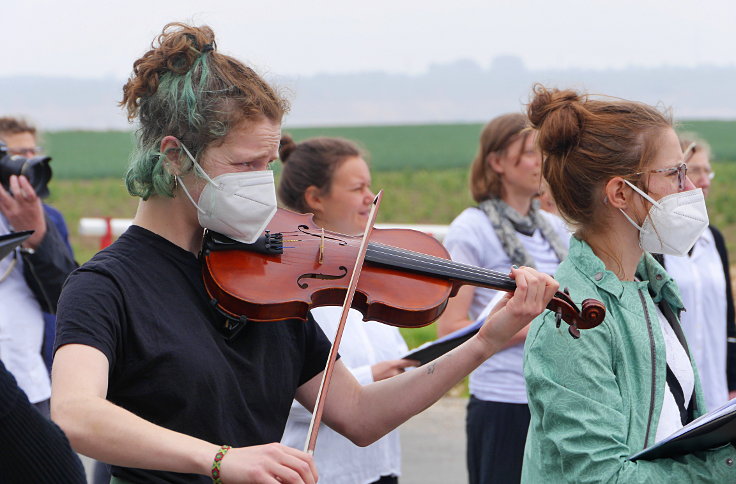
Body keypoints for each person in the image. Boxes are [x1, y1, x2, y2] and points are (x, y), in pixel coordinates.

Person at [50, 23, 559, 484]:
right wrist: (220, 458)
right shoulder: (106, 284)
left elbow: (359, 415)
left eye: (268, 164)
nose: (261, 183)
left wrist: (482, 342)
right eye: (245, 163)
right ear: (174, 155)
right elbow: (76, 413)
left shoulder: (265, 274)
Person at [522, 85, 736, 482]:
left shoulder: (648, 287)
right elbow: (601, 477)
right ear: (621, 192)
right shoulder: (571, 323)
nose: (690, 190)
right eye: (674, 173)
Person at [436, 113, 569, 484]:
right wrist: (535, 324)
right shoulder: (471, 228)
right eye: (529, 153)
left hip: (556, 398)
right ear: (496, 162)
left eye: (542, 153)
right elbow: (450, 329)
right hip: (503, 401)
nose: (540, 163)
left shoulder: (555, 228)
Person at [277, 135, 419, 484]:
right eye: (357, 188)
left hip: (381, 469)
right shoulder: (289, 288)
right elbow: (277, 392)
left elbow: (393, 355)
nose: (370, 198)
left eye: (370, 186)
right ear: (315, 198)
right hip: (321, 473)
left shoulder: (369, 280)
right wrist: (369, 378)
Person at [0, 117, 76, 419]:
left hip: (31, 379)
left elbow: (65, 295)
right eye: (17, 155)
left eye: (34, 153)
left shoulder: (47, 216)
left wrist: (36, 233)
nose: (27, 164)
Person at [657, 133, 736, 410]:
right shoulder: (656, 244)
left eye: (707, 171)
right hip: (675, 390)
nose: (703, 179)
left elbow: (727, 318)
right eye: (695, 170)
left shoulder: (713, 239)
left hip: (716, 384)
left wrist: (732, 380)